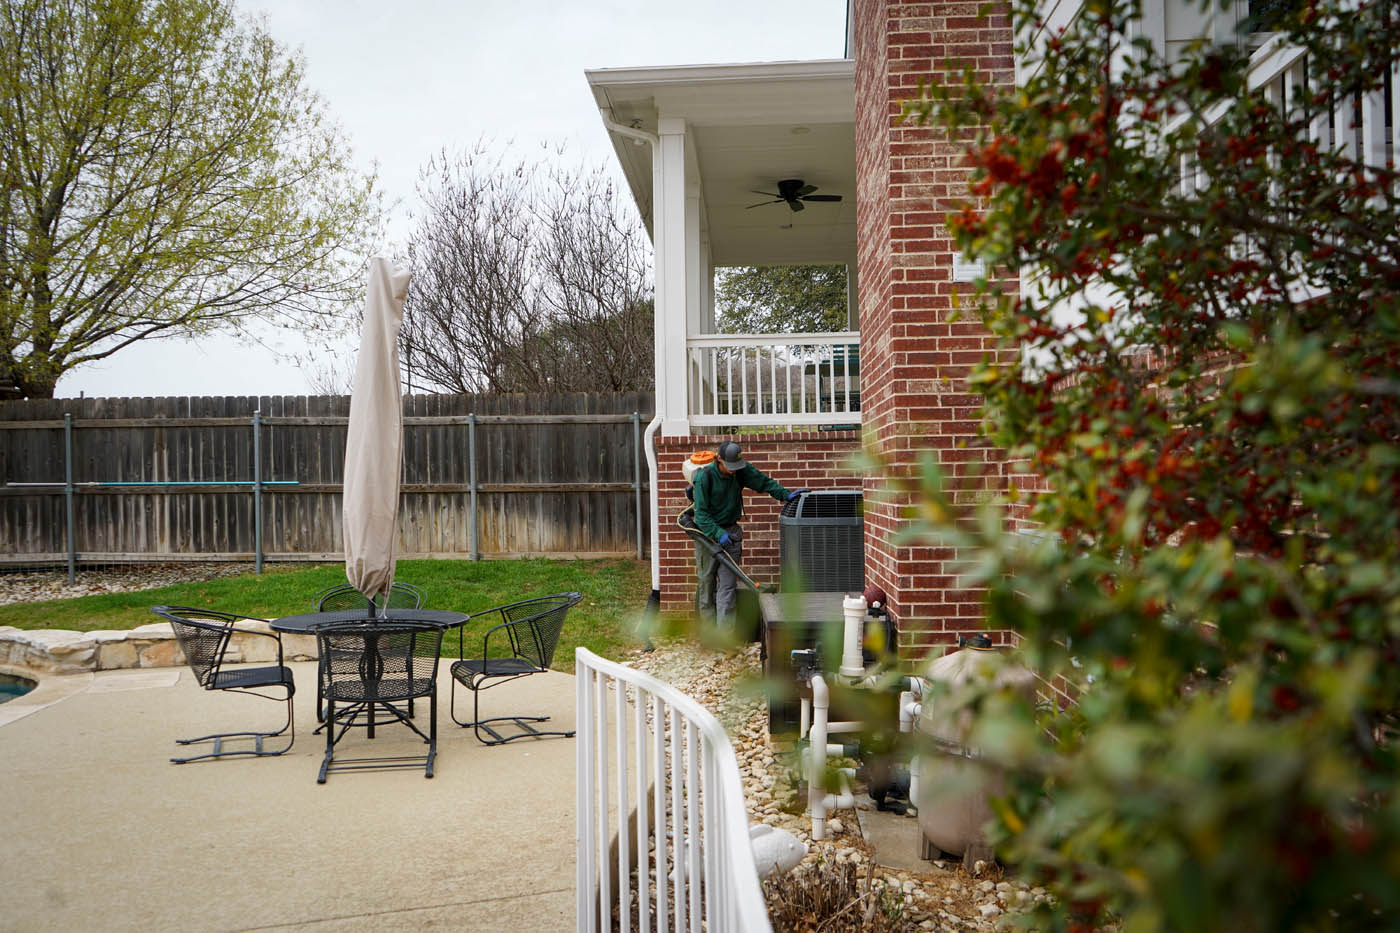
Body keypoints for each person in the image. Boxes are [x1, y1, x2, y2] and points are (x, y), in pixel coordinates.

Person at [691, 440, 807, 628]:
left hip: (731, 534)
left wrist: (785, 494)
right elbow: (701, 515)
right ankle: (708, 636)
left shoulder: (741, 470)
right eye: (730, 466)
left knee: (727, 586)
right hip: (707, 536)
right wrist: (717, 532)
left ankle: (725, 637)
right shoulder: (704, 478)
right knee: (706, 584)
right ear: (719, 459)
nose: (734, 470)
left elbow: (763, 482)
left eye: (737, 466)